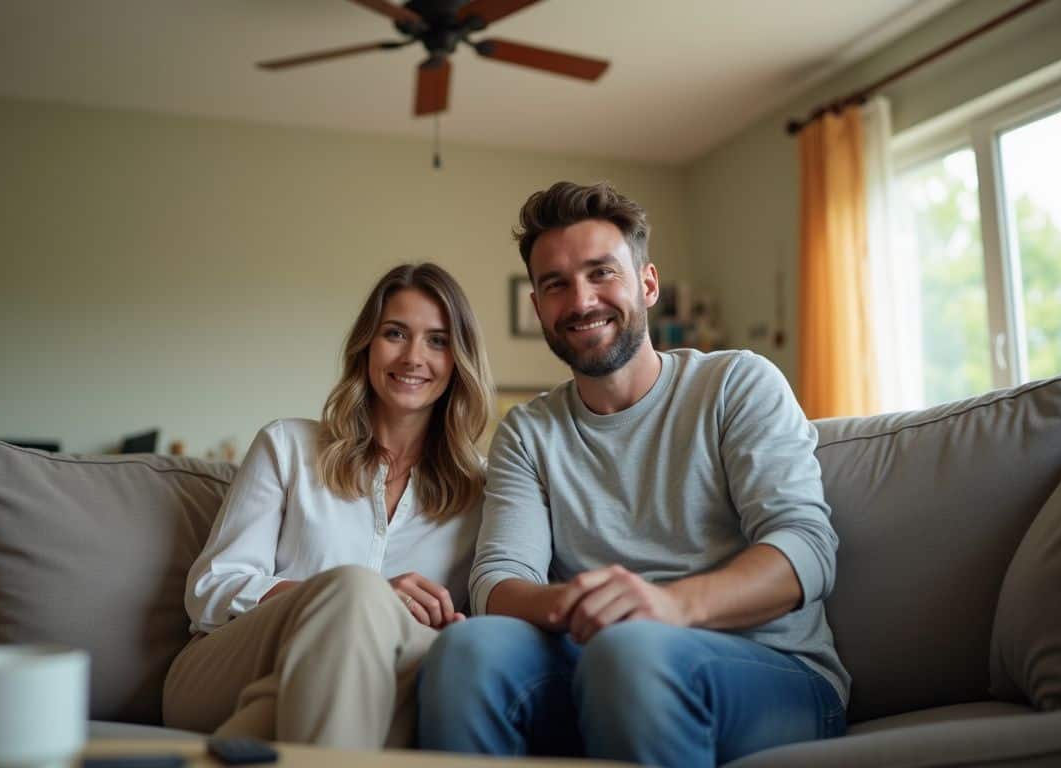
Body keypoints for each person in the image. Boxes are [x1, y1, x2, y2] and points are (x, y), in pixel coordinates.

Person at [418, 182, 848, 767]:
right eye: (556, 285)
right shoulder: (528, 431)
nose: (581, 300)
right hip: (600, 658)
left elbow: (805, 549)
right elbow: (497, 583)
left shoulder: (737, 383)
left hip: (771, 671)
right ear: (539, 306)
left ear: (647, 284)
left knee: (631, 652)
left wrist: (668, 607)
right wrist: (581, 602)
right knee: (467, 648)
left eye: (602, 273)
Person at [163, 263, 493, 749]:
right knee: (358, 595)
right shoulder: (287, 445)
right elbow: (211, 591)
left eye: (438, 341)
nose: (414, 357)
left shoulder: (481, 489)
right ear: (366, 346)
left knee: (405, 659)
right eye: (395, 333)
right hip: (224, 668)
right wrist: (345, 597)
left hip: (373, 682)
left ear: (459, 359)